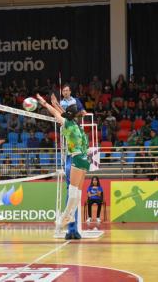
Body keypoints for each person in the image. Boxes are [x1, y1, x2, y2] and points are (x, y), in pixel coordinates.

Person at [37, 93, 90, 237]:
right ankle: (70, 216)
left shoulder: (67, 124)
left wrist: (45, 104)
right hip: (86, 160)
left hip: (77, 158)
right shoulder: (77, 125)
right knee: (77, 194)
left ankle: (62, 220)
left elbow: (57, 113)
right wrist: (55, 104)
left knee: (72, 193)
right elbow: (62, 112)